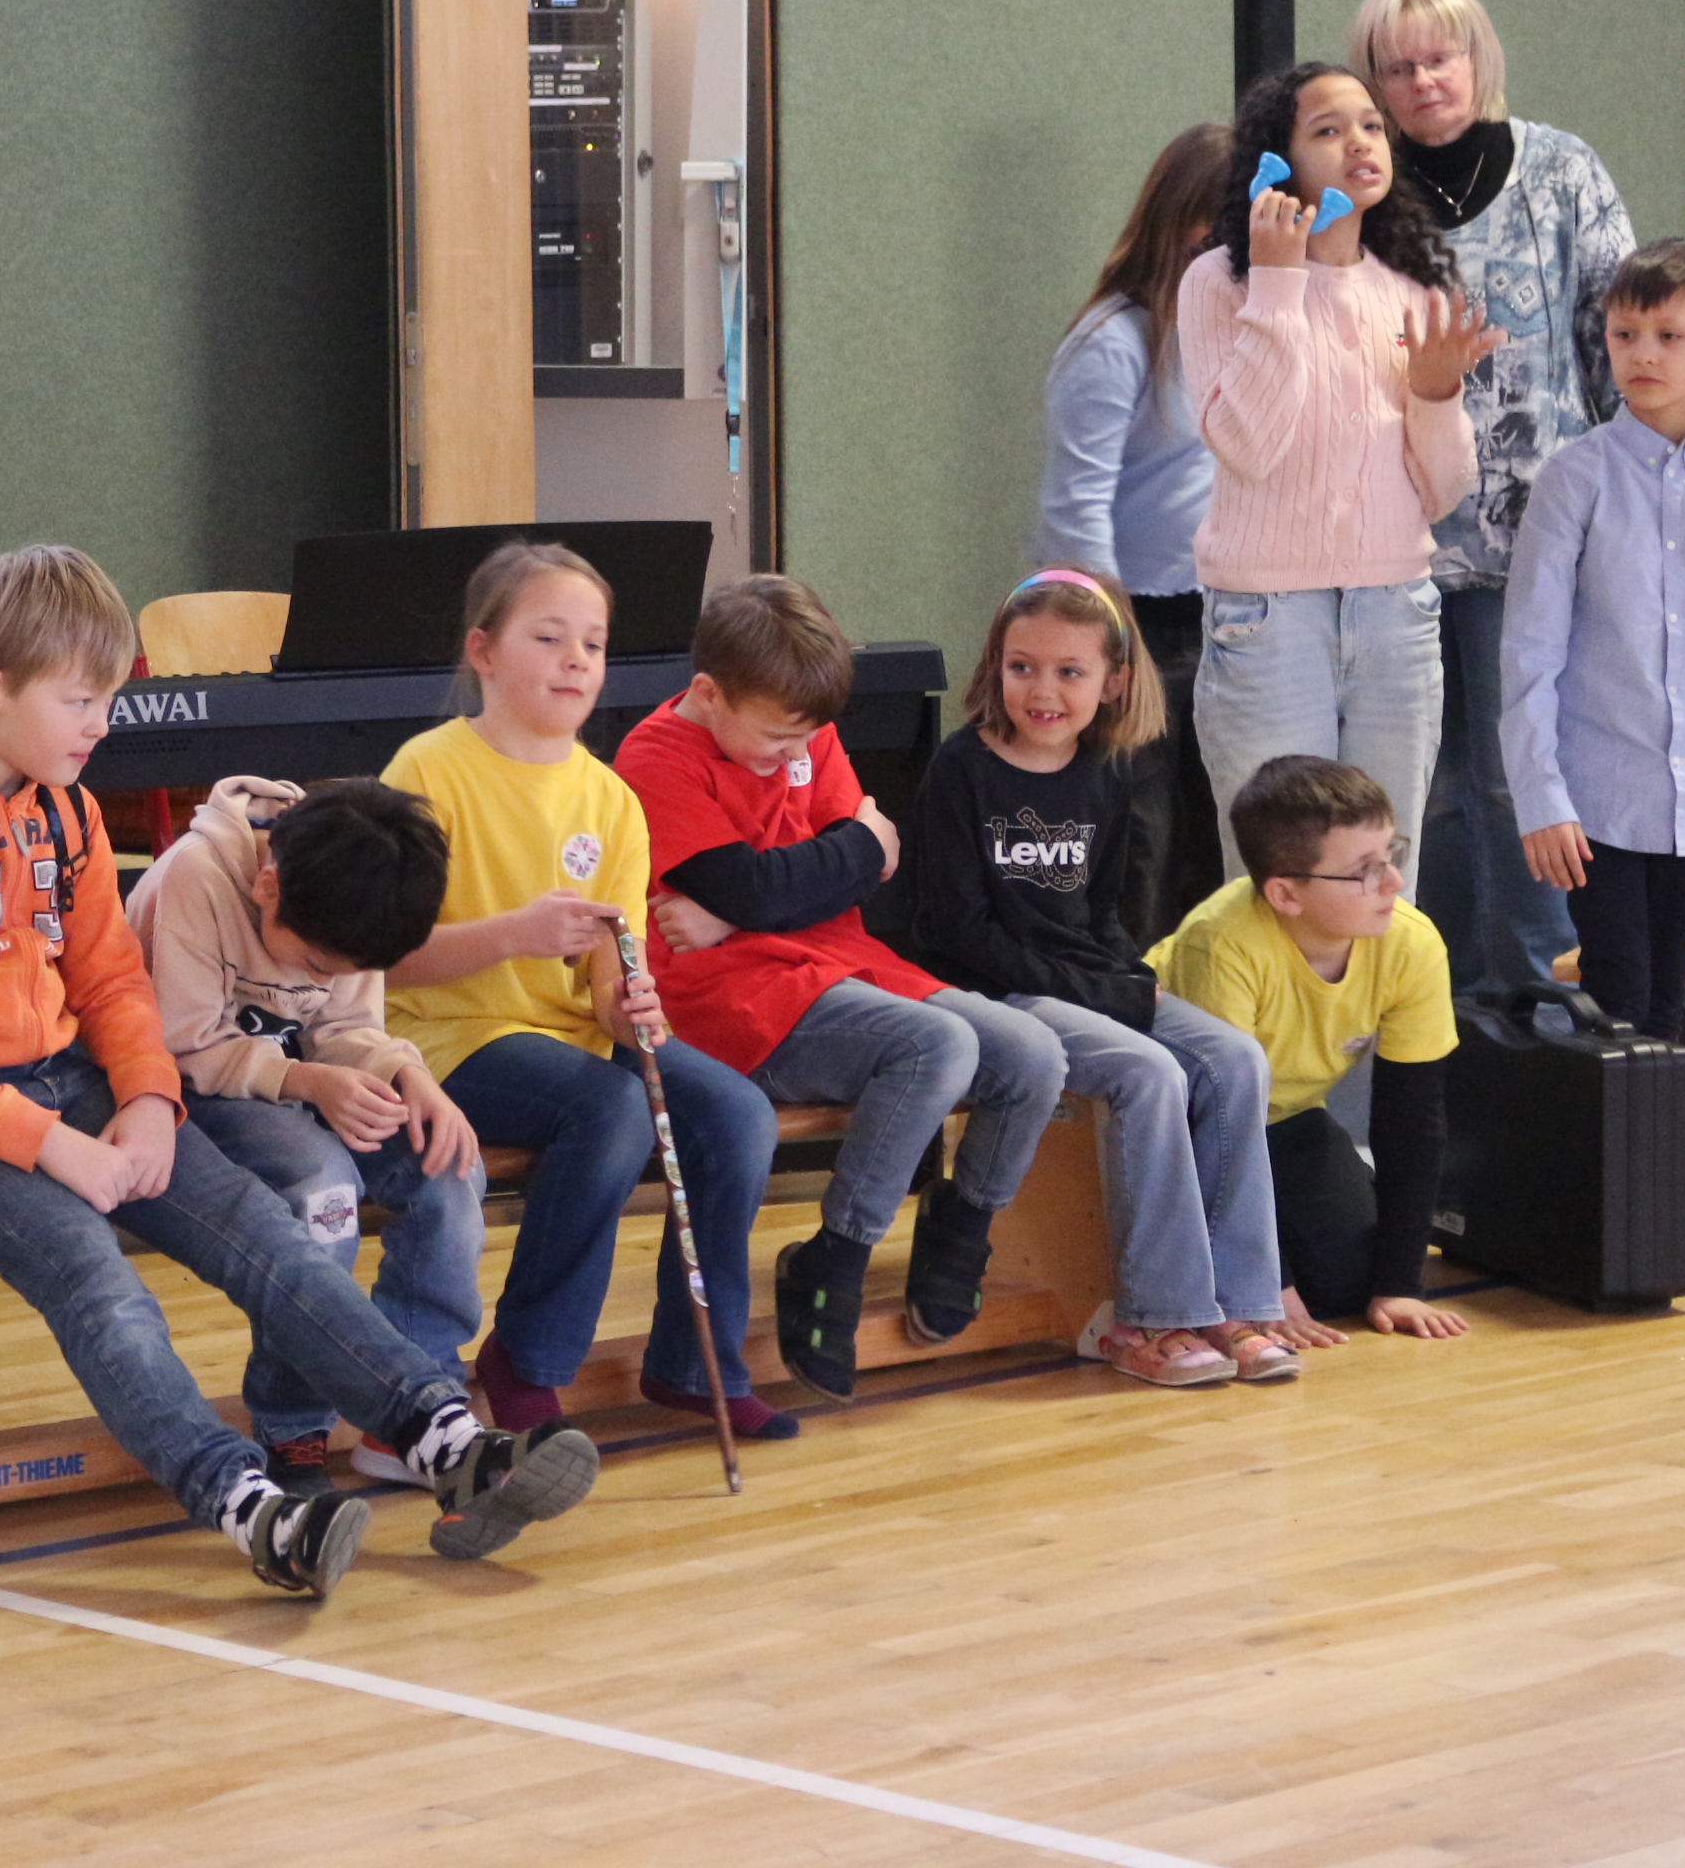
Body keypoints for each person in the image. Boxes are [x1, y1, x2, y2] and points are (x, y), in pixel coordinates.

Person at [0, 544, 598, 1597]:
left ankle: (446, 1439)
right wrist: (59, 1149)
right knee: (95, 1277)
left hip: (62, 1079)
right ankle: (249, 1504)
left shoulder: (63, 809)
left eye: (107, 700)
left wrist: (145, 1098)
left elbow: (110, 983)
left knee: (262, 1232)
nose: (102, 726)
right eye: (82, 702)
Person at [613, 574, 1069, 1395]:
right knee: (934, 1045)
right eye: (777, 740)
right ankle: (837, 1256)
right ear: (709, 694)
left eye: (807, 742)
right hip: (728, 996)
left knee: (1032, 1055)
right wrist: (816, 867)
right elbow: (791, 877)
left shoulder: (800, 722)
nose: (796, 756)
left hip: (833, 959)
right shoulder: (655, 757)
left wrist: (743, 903)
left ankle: (961, 1229)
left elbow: (874, 866)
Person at [382, 542, 792, 1439]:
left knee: (737, 1116)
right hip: (444, 1035)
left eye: (594, 644)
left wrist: (629, 1009)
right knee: (609, 1107)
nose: (576, 661)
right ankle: (527, 1359)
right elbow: (380, 959)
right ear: (483, 651)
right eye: (549, 638)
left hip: (569, 1037)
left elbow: (612, 977)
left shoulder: (610, 801)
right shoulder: (427, 771)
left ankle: (694, 1364)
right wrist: (513, 934)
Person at [903, 571, 1290, 1387]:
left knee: (1234, 1058)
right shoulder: (960, 769)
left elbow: (1101, 916)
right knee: (1148, 1072)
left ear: (1112, 681)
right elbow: (959, 935)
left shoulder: (1106, 768)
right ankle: (1151, 1318)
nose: (1042, 691)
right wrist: (1105, 995)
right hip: (992, 995)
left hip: (1078, 982)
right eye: (1022, 667)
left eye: (1069, 672)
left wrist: (1130, 979)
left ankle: (1238, 1303)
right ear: (996, 666)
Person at [1354, 0, 1638, 994]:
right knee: (1418, 793)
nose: (1424, 81)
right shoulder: (1362, 199)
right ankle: (1433, 1009)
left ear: (1477, 58)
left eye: (1440, 57)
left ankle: (1531, 1003)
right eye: (1399, 68)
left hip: (1538, 544)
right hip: (1396, 545)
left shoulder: (1562, 171)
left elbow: (1618, 338)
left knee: (1522, 781)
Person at [1180, 61, 1497, 889]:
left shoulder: (1412, 285)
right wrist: (1278, 283)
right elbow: (1247, 444)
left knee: (1385, 875)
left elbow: (1445, 492)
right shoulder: (1219, 281)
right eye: (1328, 130)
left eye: (1370, 125)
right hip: (1268, 619)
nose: (1360, 142)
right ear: (1275, 160)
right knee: (1277, 876)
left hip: (1397, 613)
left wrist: (1437, 393)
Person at [125, 774, 488, 1491]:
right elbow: (183, 1046)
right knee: (322, 1186)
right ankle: (294, 1423)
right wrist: (306, 1081)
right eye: (318, 965)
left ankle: (418, 1411)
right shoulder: (196, 877)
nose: (323, 977)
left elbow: (347, 1026)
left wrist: (408, 1075)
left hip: (301, 1079)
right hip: (193, 1091)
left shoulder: (359, 897)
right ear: (267, 887)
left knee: (447, 1165)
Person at [1501, 237, 1685, 1051]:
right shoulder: (1574, 479)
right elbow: (1529, 652)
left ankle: (1660, 1139)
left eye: (1670, 336)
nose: (1643, 355)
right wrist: (1542, 796)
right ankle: (1613, 1140)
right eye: (1626, 335)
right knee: (1621, 990)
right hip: (1595, 800)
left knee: (1672, 994)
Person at [1152, 756, 1468, 1340]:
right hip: (1181, 1131)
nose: (1394, 883)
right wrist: (1267, 1280)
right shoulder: (1221, 946)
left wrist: (1400, 1284)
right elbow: (1212, 1123)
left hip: (1288, 1121)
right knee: (1237, 1284)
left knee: (1350, 1285)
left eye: (1391, 856)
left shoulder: (1411, 943)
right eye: (1365, 870)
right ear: (1285, 894)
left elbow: (1412, 1120)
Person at [1038, 122, 1236, 944]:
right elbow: (1074, 513)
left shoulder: (1227, 328)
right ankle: (1128, 1001)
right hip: (1139, 625)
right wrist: (1114, 652)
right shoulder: (1113, 342)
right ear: (1194, 227)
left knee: (1212, 835)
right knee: (1142, 840)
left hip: (1225, 615)